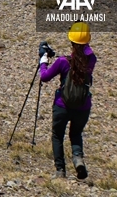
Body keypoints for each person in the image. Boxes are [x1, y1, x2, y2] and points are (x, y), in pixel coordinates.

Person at [39, 22, 96, 179]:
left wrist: (43, 60)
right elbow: (86, 53)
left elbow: (44, 77)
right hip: (83, 105)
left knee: (57, 135)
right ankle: (78, 159)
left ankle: (60, 171)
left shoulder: (63, 62)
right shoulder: (91, 60)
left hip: (62, 105)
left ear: (71, 41)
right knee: (76, 134)